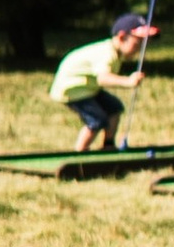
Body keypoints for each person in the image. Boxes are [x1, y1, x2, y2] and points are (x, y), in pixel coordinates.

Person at [50, 13, 155, 149]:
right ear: (122, 37)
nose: (139, 50)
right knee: (97, 120)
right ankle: (79, 154)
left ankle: (108, 146)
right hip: (72, 89)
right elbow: (103, 79)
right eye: (137, 44)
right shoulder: (107, 54)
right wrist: (128, 81)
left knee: (114, 108)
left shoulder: (114, 52)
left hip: (87, 88)